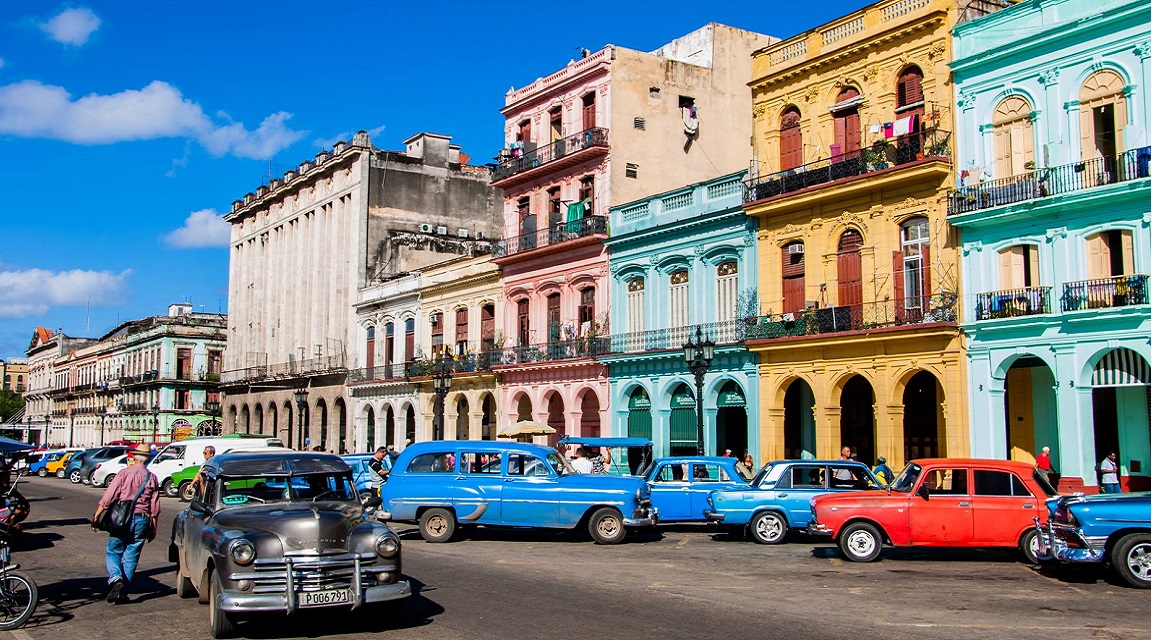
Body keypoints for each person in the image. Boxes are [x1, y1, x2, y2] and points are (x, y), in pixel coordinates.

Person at [92, 444, 160, 604]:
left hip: (121, 519)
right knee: (131, 556)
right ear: (148, 459)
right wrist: (154, 527)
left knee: (113, 551)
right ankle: (123, 592)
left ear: (134, 457)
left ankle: (116, 579)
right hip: (142, 519)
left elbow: (109, 496)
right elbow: (155, 506)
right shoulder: (152, 477)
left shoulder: (123, 473)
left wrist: (97, 514)